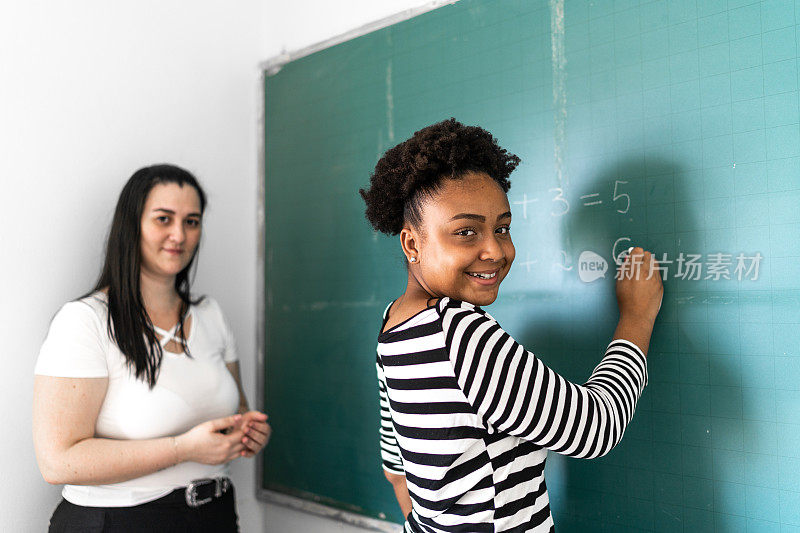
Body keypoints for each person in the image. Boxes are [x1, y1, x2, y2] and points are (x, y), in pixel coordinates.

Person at [359, 119, 663, 532]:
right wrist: (636, 317)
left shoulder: (394, 324)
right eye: (466, 232)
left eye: (502, 228)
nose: (495, 250)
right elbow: (595, 427)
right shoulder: (457, 333)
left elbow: (395, 466)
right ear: (412, 243)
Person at [33, 164, 271, 532]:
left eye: (192, 221)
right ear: (131, 225)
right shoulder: (85, 321)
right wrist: (184, 448)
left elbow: (236, 408)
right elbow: (58, 461)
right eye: (164, 219)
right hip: (120, 521)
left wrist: (246, 431)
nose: (179, 234)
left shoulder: (211, 316)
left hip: (215, 515)